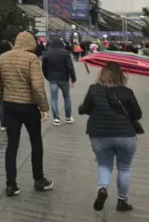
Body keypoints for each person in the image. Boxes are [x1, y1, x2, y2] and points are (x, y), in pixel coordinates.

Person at [0, 31, 53, 197]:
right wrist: (44, 107)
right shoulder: (32, 59)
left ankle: (11, 185)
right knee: (36, 142)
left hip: (10, 107)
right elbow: (37, 86)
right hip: (29, 107)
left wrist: (2, 100)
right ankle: (39, 179)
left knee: (12, 145)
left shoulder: (3, 58)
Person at [78, 62, 143, 212]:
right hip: (125, 135)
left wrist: (85, 109)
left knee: (104, 164)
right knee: (124, 168)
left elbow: (84, 109)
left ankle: (102, 188)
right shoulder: (127, 92)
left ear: (102, 75)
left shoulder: (94, 90)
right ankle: (122, 202)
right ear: (121, 76)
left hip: (99, 135)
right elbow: (137, 115)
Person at [42, 37, 77, 126]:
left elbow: (44, 67)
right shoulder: (65, 53)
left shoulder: (47, 54)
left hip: (52, 79)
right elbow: (70, 67)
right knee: (66, 97)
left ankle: (56, 118)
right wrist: (73, 79)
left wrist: (47, 77)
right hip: (64, 78)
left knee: (54, 98)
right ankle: (68, 117)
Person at [0, 40, 13, 130]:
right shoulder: (12, 57)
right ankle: (10, 121)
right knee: (10, 103)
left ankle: (3, 124)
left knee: (1, 103)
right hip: (10, 82)